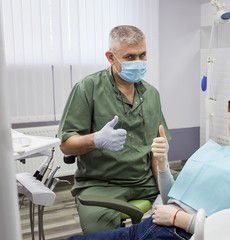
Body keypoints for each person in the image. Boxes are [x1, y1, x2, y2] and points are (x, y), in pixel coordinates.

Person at [63, 81, 230, 240]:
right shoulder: (213, 151)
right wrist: (162, 163)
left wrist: (180, 219)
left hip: (181, 234)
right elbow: (172, 197)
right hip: (154, 224)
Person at [57, 25, 171, 233]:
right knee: (101, 236)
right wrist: (95, 140)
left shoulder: (151, 94)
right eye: (129, 57)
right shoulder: (87, 88)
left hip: (144, 180)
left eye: (142, 55)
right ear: (111, 57)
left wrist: (165, 189)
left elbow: (157, 150)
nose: (138, 62)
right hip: (101, 185)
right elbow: (66, 146)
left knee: (193, 197)